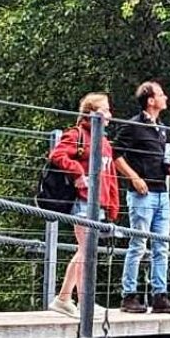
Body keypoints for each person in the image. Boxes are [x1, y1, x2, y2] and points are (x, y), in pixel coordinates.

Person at [47, 92, 120, 317]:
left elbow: (110, 176)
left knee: (84, 250)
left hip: (97, 203)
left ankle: (66, 298)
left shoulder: (105, 142)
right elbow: (57, 155)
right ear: (91, 113)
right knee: (86, 250)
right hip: (82, 201)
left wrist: (112, 205)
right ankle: (78, 300)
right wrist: (78, 173)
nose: (109, 114)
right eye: (105, 109)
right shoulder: (77, 134)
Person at [113, 80, 170, 314]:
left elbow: (159, 162)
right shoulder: (132, 126)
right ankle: (129, 295)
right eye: (161, 95)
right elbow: (116, 155)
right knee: (139, 244)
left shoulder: (162, 128)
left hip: (162, 192)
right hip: (142, 194)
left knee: (162, 246)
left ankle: (159, 296)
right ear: (150, 100)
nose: (165, 98)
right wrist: (134, 178)